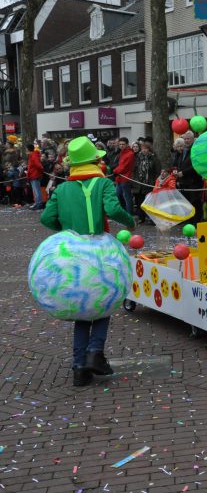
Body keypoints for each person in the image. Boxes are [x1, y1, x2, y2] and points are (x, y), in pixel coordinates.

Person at [40, 136, 135, 386]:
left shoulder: (61, 189)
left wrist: (66, 232)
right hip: (99, 253)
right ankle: (95, 353)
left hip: (70, 256)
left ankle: (79, 368)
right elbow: (114, 210)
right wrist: (130, 221)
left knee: (81, 311)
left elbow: (47, 218)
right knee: (103, 304)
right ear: (94, 161)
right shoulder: (102, 184)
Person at [176, 131, 204, 224]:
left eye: (188, 139)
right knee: (187, 203)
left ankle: (196, 223)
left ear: (193, 139)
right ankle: (189, 222)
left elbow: (196, 166)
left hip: (194, 182)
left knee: (195, 203)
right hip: (184, 182)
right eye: (185, 139)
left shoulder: (196, 149)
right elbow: (180, 164)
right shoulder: (183, 150)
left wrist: (183, 173)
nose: (186, 140)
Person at [133, 140, 161, 224]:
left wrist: (155, 182)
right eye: (143, 149)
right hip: (139, 183)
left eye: (146, 149)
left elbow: (157, 170)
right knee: (139, 202)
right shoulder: (137, 158)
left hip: (149, 183)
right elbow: (134, 169)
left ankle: (152, 219)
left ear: (149, 149)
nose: (144, 150)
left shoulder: (153, 158)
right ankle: (141, 218)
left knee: (150, 202)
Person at [113, 137, 135, 215]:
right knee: (118, 196)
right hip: (120, 178)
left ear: (127, 144)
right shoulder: (123, 152)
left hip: (125, 178)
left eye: (123, 144)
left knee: (127, 197)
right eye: (120, 144)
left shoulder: (130, 154)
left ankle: (129, 214)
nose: (121, 146)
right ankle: (124, 213)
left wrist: (115, 171)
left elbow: (124, 166)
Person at [26, 143, 45, 210]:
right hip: (33, 174)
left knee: (37, 191)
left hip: (35, 175)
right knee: (36, 190)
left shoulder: (33, 155)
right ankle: (37, 203)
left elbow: (38, 165)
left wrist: (41, 170)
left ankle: (39, 204)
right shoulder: (32, 155)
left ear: (28, 149)